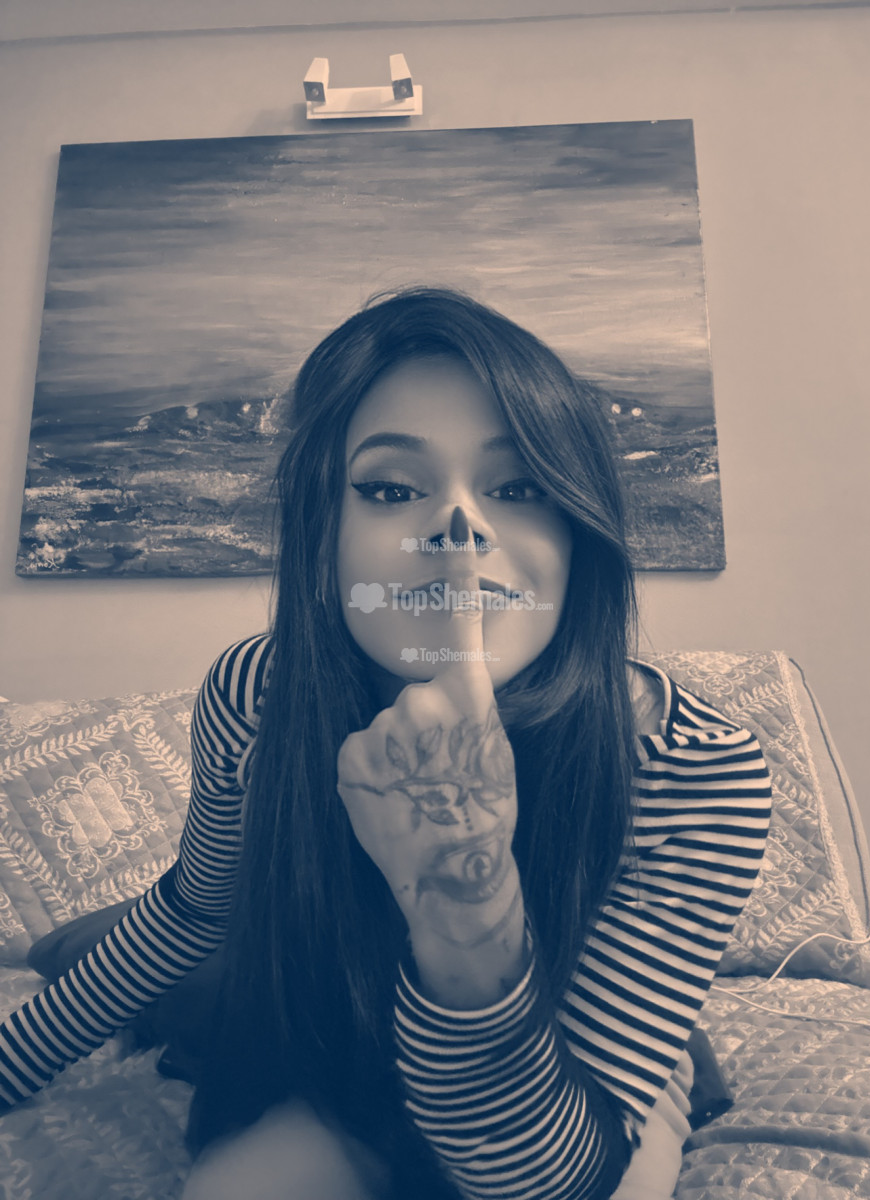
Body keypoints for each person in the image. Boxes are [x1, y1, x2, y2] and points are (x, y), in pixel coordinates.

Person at [0, 287, 772, 1199]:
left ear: (577, 531)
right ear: (323, 533)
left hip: (568, 1060)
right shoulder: (258, 693)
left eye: (518, 486)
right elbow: (197, 911)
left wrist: (467, 910)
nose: (459, 528)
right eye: (390, 489)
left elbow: (548, 1179)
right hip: (336, 1023)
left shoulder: (695, 763)